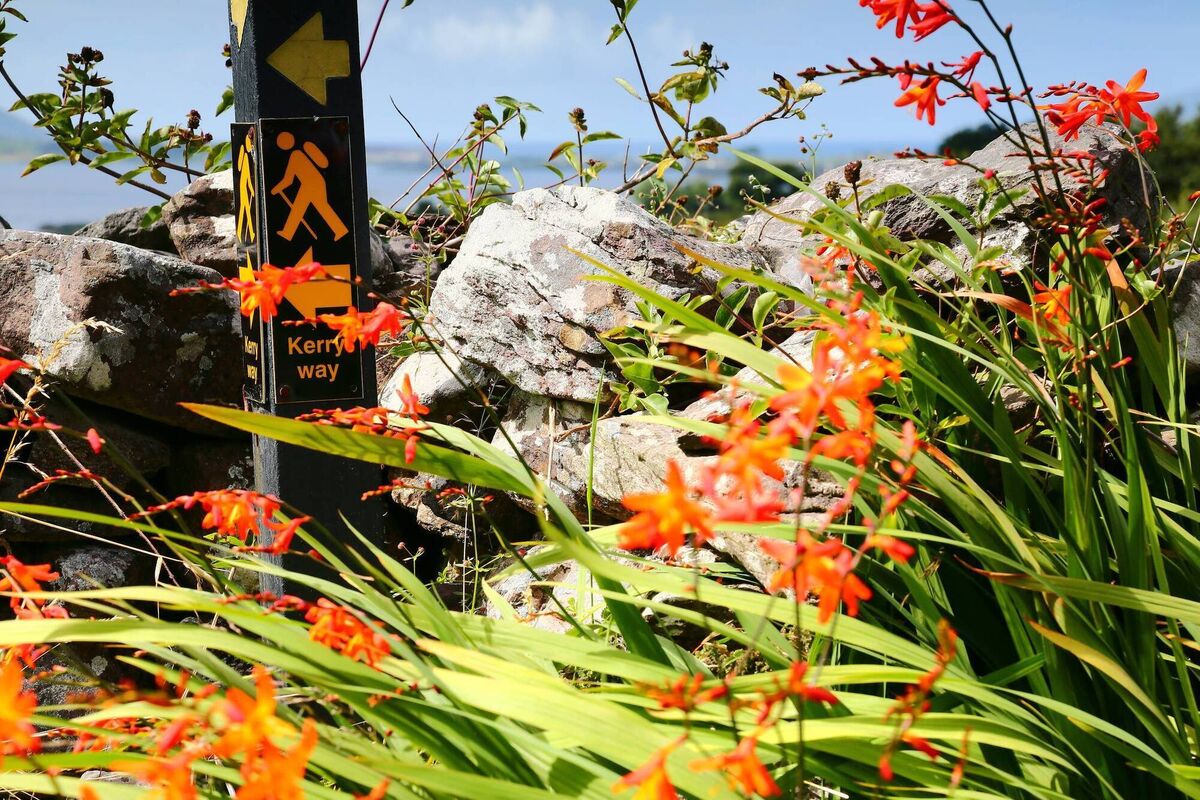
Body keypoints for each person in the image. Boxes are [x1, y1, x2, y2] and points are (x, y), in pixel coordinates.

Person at [270, 131, 348, 242]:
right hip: (312, 183)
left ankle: (340, 230)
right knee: (301, 208)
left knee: (316, 208)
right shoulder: (299, 152)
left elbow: (288, 180)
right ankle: (288, 233)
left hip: (312, 184)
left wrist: (275, 189)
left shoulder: (295, 155)